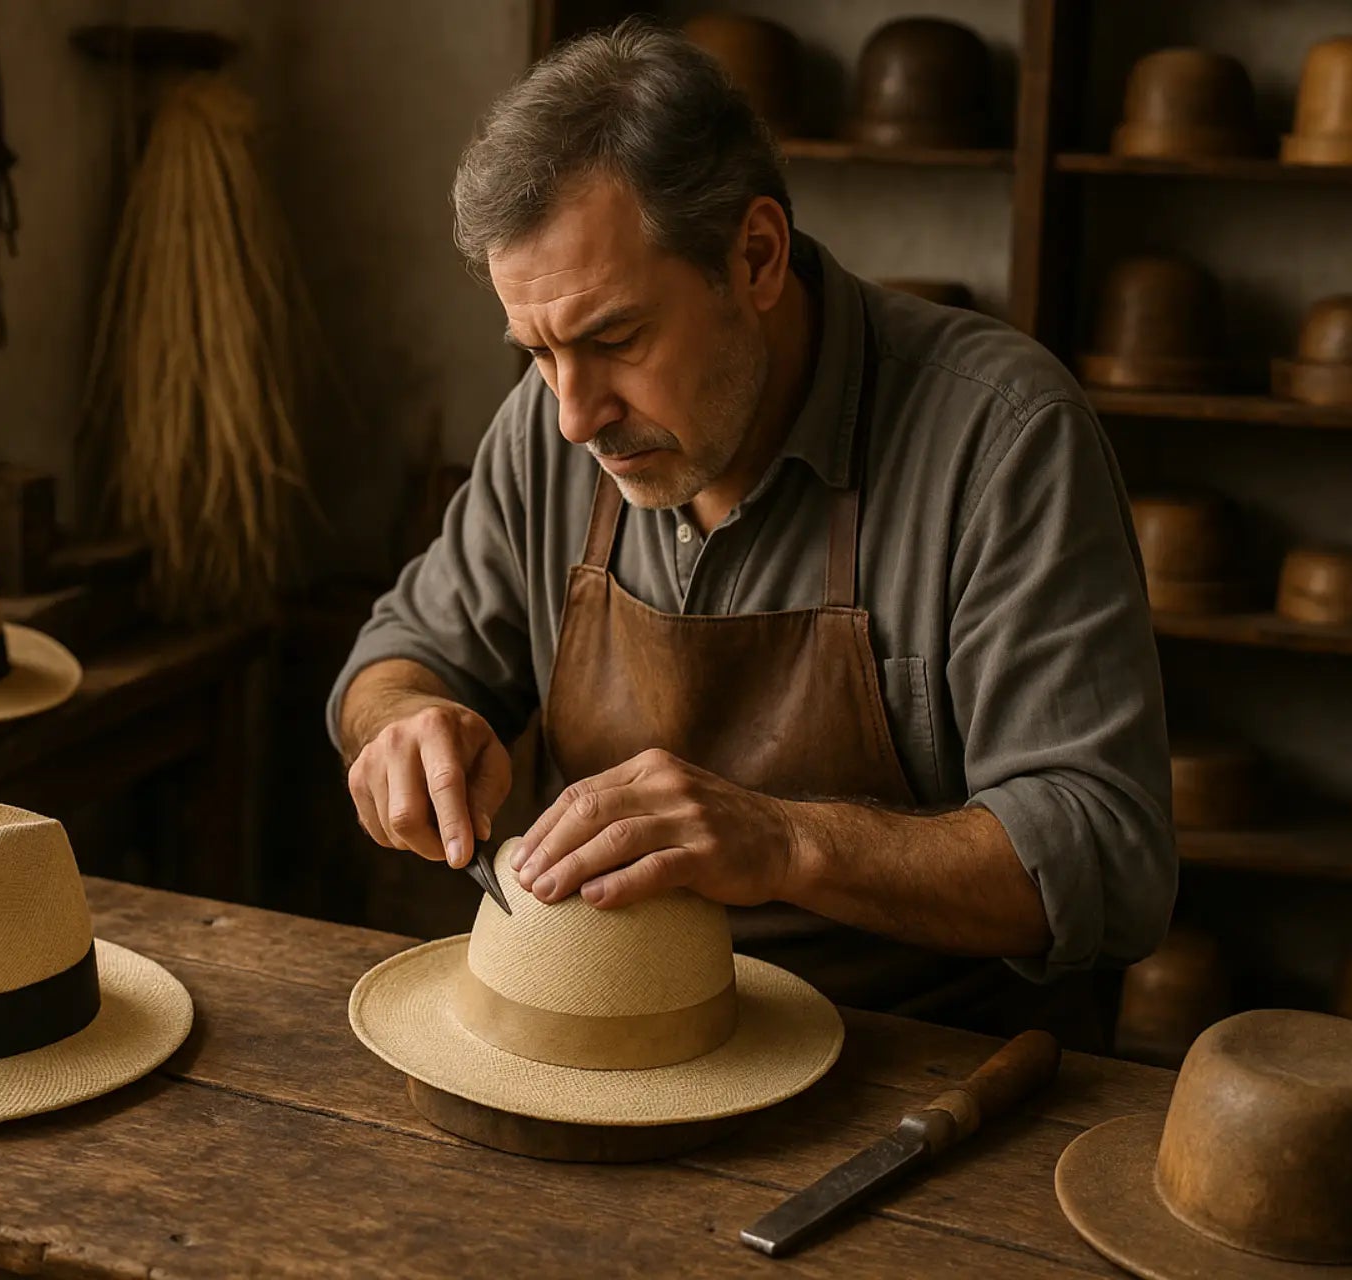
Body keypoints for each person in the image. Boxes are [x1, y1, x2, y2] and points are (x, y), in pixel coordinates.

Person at [327, 21, 1173, 1006]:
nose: (574, 416)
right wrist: (406, 718)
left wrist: (785, 838)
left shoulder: (1002, 438)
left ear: (758, 257)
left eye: (617, 336)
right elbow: (397, 651)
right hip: (615, 1044)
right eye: (540, 351)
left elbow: (1107, 852)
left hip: (920, 1070)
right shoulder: (552, 423)